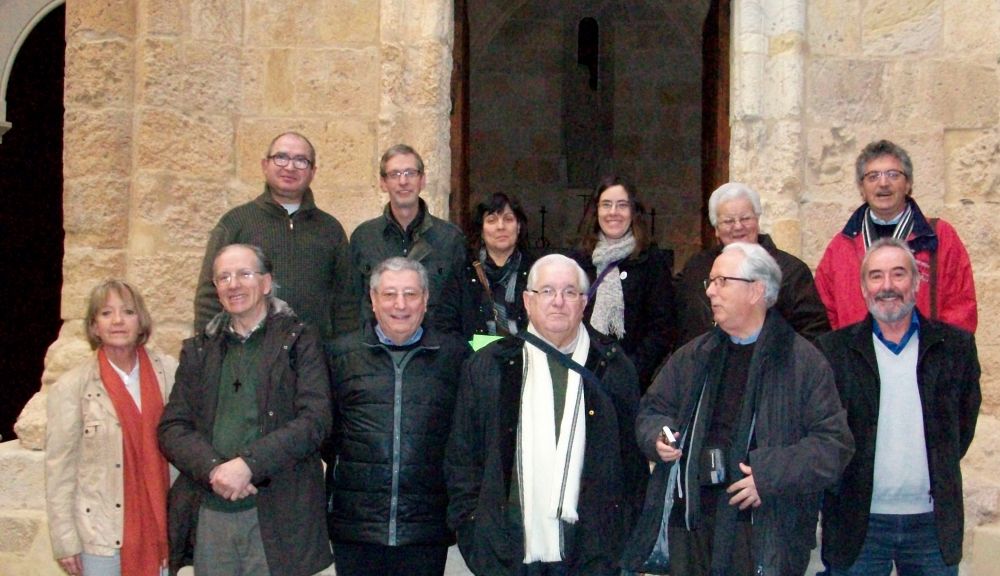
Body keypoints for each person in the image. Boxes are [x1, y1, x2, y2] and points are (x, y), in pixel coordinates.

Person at [623, 243, 854, 576]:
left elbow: (835, 446)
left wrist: (769, 474)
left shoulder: (803, 362)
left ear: (756, 291)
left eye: (722, 282)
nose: (711, 292)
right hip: (691, 527)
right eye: (710, 283)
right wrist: (657, 436)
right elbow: (652, 409)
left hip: (763, 532)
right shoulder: (694, 355)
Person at [446, 254, 647, 575]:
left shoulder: (612, 367)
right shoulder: (490, 365)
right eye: (547, 291)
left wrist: (621, 541)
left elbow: (633, 466)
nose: (558, 302)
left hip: (592, 554)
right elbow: (462, 458)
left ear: (584, 303)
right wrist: (472, 528)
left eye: (570, 292)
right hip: (507, 551)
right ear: (527, 301)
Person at [159, 244, 332, 576]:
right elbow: (172, 427)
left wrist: (249, 465)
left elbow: (315, 421)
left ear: (266, 283)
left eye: (244, 274)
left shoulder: (299, 340)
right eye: (223, 277)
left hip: (279, 513)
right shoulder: (199, 349)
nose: (233, 284)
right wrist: (214, 470)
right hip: (211, 512)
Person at [816, 238, 980, 575]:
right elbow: (823, 431)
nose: (887, 286)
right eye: (875, 276)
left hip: (932, 525)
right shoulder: (833, 351)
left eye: (898, 274)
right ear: (863, 288)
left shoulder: (955, 348)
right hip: (858, 524)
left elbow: (961, 428)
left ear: (916, 282)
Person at [324, 257, 470, 575]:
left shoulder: (456, 356)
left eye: (411, 294)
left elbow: (465, 438)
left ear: (426, 299)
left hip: (425, 528)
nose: (400, 305)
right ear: (373, 300)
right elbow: (326, 435)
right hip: (356, 527)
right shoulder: (340, 355)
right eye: (389, 294)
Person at [46, 279, 176, 576]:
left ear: (141, 320)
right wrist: (65, 540)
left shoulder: (169, 373)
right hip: (100, 535)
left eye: (128, 311)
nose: (117, 321)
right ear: (94, 326)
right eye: (106, 313)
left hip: (161, 531)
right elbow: (59, 469)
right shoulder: (72, 387)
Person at [193, 131, 356, 342]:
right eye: (281, 157)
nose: (289, 167)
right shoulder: (236, 223)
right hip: (246, 356)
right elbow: (209, 295)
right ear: (265, 165)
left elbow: (346, 304)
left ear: (313, 171)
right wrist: (211, 351)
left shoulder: (330, 229)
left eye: (301, 160)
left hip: (314, 361)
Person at [816, 139, 977, 333]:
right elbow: (825, 314)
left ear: (908, 183)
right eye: (873, 176)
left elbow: (960, 307)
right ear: (862, 188)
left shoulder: (940, 237)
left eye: (893, 175)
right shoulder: (841, 247)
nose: (883, 183)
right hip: (857, 359)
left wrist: (936, 356)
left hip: (926, 358)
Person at [675, 182, 829, 345]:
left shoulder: (792, 272)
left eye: (745, 218)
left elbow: (813, 334)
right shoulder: (696, 268)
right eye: (728, 221)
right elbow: (682, 328)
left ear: (757, 220)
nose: (738, 226)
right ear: (716, 229)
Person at [350, 144, 466, 334]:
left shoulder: (451, 239)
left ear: (422, 180)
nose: (403, 181)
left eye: (410, 173)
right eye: (394, 174)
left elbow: (465, 306)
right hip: (377, 353)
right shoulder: (363, 238)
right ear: (383, 182)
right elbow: (352, 303)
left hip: (438, 354)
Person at [575, 175, 676, 390]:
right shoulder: (580, 260)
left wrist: (630, 370)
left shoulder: (651, 261)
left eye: (622, 205)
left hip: (630, 382)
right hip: (582, 376)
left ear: (633, 212)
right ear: (596, 211)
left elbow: (662, 328)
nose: (613, 212)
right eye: (606, 205)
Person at [461, 192, 534, 337]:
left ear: (519, 226)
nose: (501, 226)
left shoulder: (536, 272)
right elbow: (447, 326)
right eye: (492, 220)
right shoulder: (464, 272)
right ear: (481, 230)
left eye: (508, 219)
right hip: (476, 357)